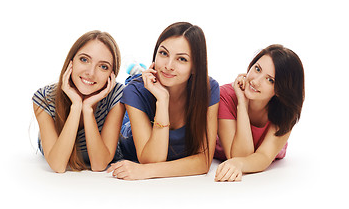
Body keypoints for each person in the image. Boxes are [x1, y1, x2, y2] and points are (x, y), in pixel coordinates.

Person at [107, 22, 220, 180]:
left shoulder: (208, 89)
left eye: (181, 59)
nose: (168, 65)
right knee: (134, 84)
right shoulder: (134, 92)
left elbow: (204, 161)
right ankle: (135, 72)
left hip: (156, 89)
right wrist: (162, 100)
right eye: (163, 53)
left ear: (195, 66)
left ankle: (137, 69)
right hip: (129, 131)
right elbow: (151, 160)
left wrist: (145, 172)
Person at [32, 30, 125, 173]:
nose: (91, 72)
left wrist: (87, 109)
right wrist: (76, 106)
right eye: (84, 60)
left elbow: (99, 165)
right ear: (71, 61)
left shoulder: (117, 95)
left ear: (112, 74)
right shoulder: (44, 98)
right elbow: (58, 165)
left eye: (103, 66)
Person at [214, 44, 305, 182]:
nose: (256, 81)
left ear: (281, 90)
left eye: (270, 80)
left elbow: (263, 157)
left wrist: (239, 164)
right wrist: (242, 105)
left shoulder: (286, 111)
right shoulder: (225, 96)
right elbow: (239, 155)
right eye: (257, 69)